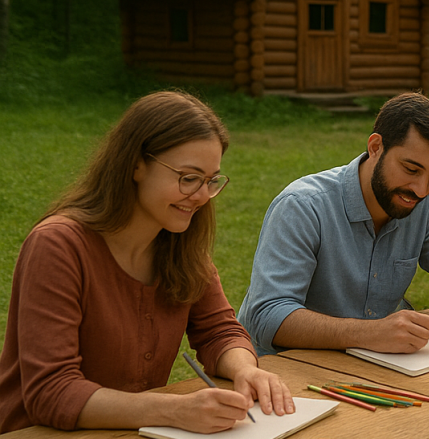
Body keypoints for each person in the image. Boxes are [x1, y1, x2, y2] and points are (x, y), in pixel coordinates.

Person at [0, 91, 292, 434]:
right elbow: (51, 392)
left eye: (211, 181)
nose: (200, 196)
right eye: (188, 178)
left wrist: (246, 369)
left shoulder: (180, 243)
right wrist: (173, 410)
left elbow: (218, 331)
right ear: (137, 164)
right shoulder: (58, 246)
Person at [237, 92, 429, 356]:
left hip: (372, 365)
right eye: (411, 169)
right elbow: (267, 316)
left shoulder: (424, 200)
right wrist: (370, 333)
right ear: (375, 147)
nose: (421, 189)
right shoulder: (302, 206)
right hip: (284, 372)